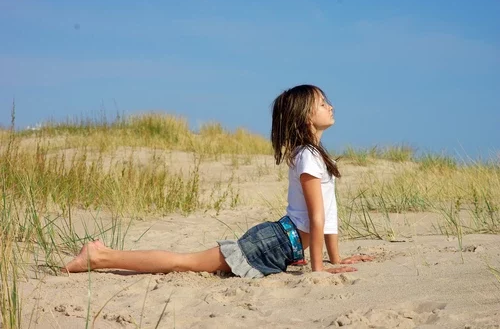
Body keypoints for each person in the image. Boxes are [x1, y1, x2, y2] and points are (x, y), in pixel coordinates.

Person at [63, 84, 373, 277]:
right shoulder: (307, 155)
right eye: (321, 103)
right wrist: (319, 269)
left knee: (187, 262)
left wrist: (336, 259)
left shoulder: (314, 154)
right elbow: (316, 217)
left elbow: (328, 216)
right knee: (184, 262)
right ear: (307, 117)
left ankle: (101, 255)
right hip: (273, 243)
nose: (330, 106)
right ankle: (100, 256)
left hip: (283, 246)